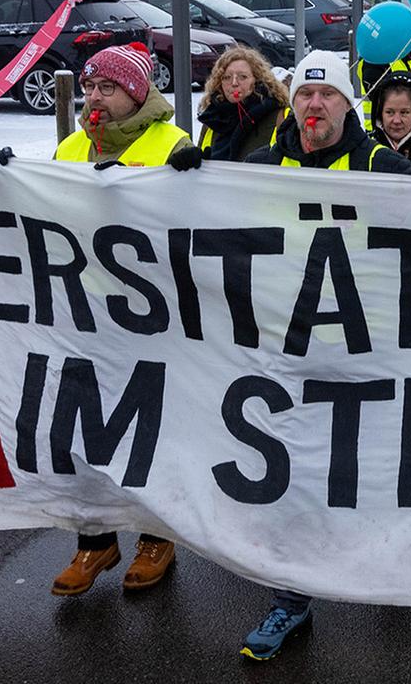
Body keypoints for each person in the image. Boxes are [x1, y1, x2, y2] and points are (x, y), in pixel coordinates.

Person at [238, 51, 411, 661]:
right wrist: (185, 175)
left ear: (348, 105)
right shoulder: (262, 165)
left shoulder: (378, 160)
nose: (315, 106)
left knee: (379, 469)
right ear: (293, 104)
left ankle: (390, 572)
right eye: (305, 95)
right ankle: (289, 601)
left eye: (327, 96)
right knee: (296, 479)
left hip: (368, 349)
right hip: (294, 350)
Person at [46, 43, 194, 598]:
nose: (95, 98)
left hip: (152, 315)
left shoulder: (171, 142)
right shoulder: (70, 146)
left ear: (135, 92)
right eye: (89, 88)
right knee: (82, 427)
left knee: (151, 428)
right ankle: (95, 540)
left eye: (106, 88)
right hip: (82, 311)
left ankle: (156, 535)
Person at [195, 46, 288, 161]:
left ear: (257, 79)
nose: (234, 83)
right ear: (219, 83)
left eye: (242, 77)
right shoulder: (212, 117)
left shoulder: (278, 116)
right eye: (227, 77)